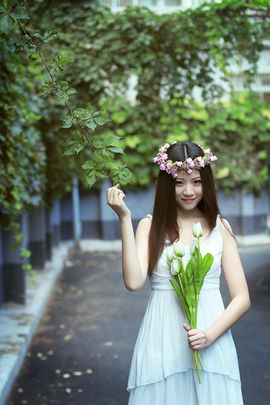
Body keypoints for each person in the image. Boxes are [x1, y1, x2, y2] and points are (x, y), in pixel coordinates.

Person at [106, 141, 250, 405]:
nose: (188, 191)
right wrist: (124, 218)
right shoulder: (149, 227)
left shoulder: (221, 228)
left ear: (206, 182)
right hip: (160, 341)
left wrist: (210, 334)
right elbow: (134, 282)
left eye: (196, 181)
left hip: (211, 340)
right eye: (179, 183)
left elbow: (242, 298)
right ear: (166, 185)